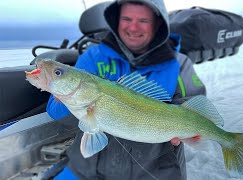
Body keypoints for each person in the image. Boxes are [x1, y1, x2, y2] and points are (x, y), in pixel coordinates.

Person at [48, 0, 206, 179]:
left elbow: (196, 105)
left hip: (157, 170)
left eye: (143, 21)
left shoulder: (178, 63)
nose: (134, 27)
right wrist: (65, 98)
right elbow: (54, 113)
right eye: (127, 18)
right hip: (93, 168)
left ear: (157, 24)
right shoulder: (93, 57)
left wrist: (187, 129)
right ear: (116, 21)